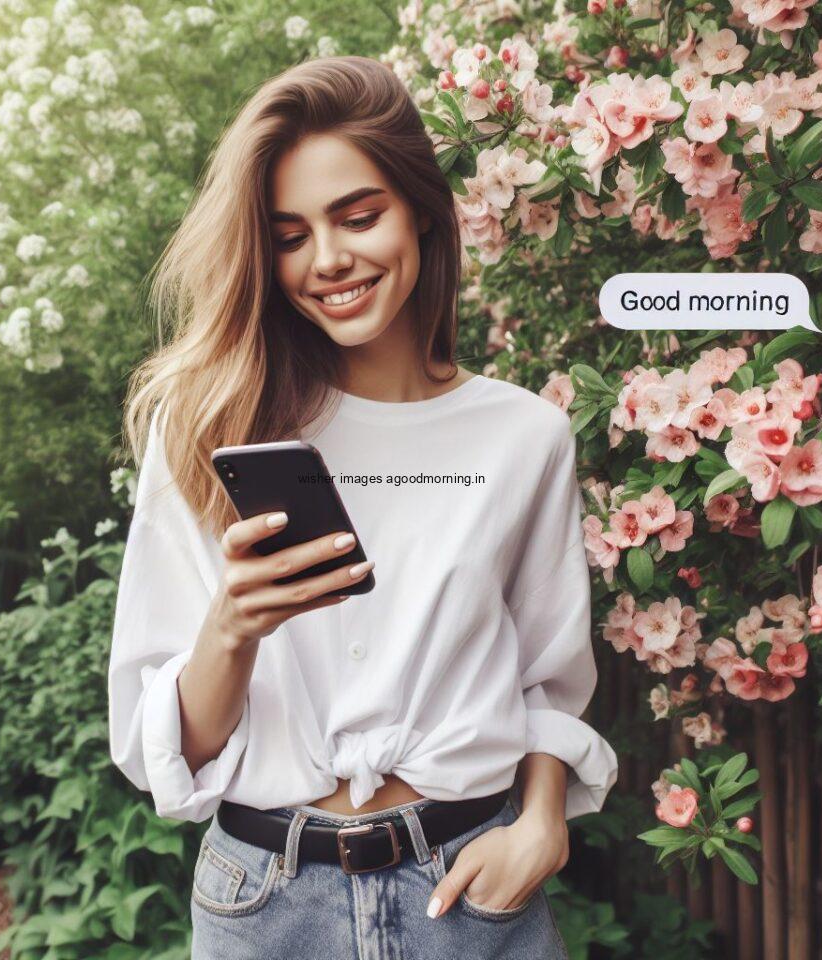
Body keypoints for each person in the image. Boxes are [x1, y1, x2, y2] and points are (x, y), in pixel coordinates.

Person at [108, 55, 618, 960]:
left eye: (358, 216)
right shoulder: (210, 426)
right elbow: (166, 751)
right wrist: (231, 628)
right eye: (291, 234)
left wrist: (543, 824)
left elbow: (548, 674)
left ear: (420, 208)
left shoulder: (525, 435)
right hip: (265, 902)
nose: (330, 259)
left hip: (467, 890)